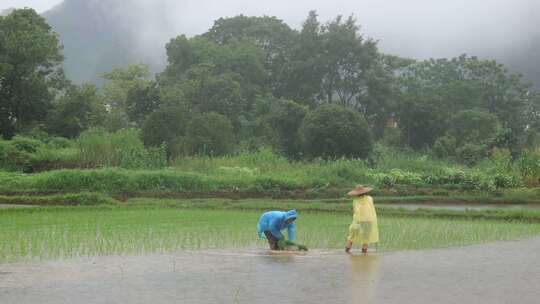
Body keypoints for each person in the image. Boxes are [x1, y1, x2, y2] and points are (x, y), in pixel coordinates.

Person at [345, 185, 379, 254]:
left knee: (352, 235)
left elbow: (355, 211)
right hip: (369, 220)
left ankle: (347, 251)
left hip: (358, 221)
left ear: (356, 193)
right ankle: (364, 253)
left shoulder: (355, 200)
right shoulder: (370, 198)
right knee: (366, 237)